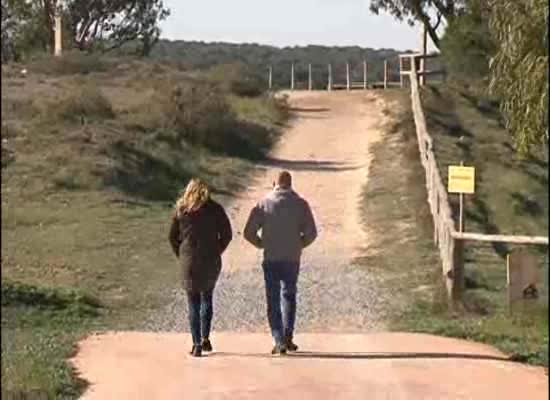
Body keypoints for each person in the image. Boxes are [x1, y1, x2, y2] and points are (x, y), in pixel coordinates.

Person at [244, 171, 317, 355]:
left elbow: (248, 232)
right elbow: (312, 233)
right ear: (291, 184)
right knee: (289, 296)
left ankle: (278, 340)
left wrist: (261, 244)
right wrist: (300, 244)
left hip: (271, 257)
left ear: (274, 183)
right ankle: (288, 336)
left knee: (273, 299)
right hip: (292, 258)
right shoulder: (301, 204)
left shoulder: (264, 203)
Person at [169, 178, 232, 357]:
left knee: (193, 302)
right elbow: (227, 234)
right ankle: (205, 338)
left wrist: (180, 254)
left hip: (189, 261)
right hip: (211, 259)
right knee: (207, 297)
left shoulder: (181, 210)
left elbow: (172, 237)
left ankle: (196, 344)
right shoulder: (215, 209)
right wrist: (218, 250)